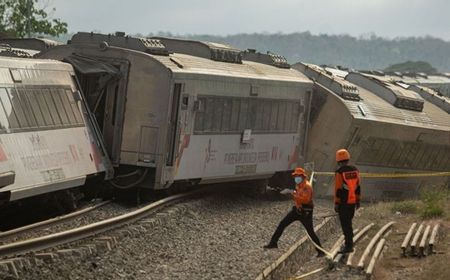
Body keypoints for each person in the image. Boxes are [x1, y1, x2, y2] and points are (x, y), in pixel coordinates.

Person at [264, 167, 324, 257]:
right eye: (295, 176)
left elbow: (306, 200)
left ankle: (320, 251)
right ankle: (273, 243)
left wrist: (292, 194)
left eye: (297, 176)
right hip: (297, 210)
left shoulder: (307, 187)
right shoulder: (298, 185)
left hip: (306, 212)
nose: (296, 178)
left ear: (303, 177)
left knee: (310, 232)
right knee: (282, 224)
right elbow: (299, 197)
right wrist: (292, 193)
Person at [334, 149, 361, 253]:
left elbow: (338, 189)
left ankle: (349, 246)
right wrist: (358, 201)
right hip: (353, 202)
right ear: (348, 159)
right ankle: (349, 243)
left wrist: (336, 203)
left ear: (338, 161)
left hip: (343, 202)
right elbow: (358, 187)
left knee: (346, 225)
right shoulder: (355, 170)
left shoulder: (339, 172)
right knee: (348, 223)